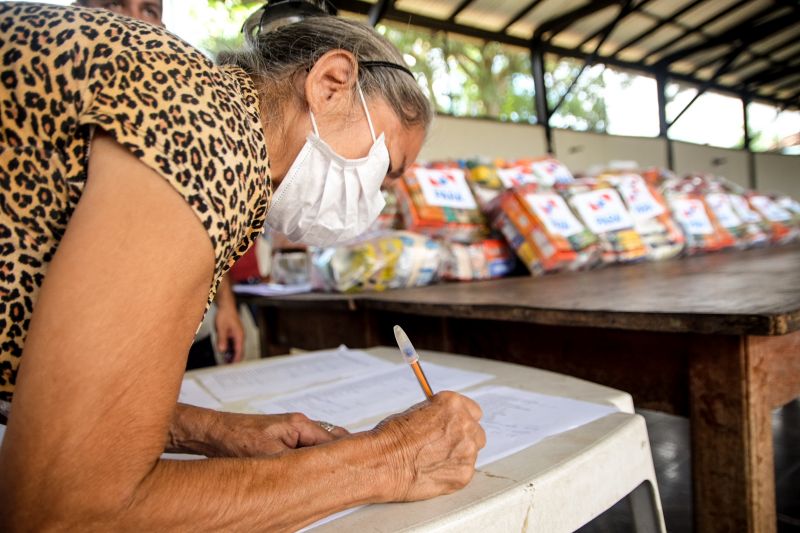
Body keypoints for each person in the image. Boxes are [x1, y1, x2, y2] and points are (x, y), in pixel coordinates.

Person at [0, 2, 485, 531]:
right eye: (384, 170)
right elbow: (63, 508)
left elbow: (42, 396)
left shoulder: (218, 133)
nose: (372, 203)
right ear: (331, 83)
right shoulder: (203, 122)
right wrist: (390, 459)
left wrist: (208, 431)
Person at [74, 0, 248, 367]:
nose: (136, 21)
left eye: (149, 10)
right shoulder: (46, 107)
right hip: (94, 343)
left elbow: (209, 223)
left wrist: (225, 307)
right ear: (79, 12)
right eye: (114, 4)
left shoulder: (184, 116)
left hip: (183, 334)